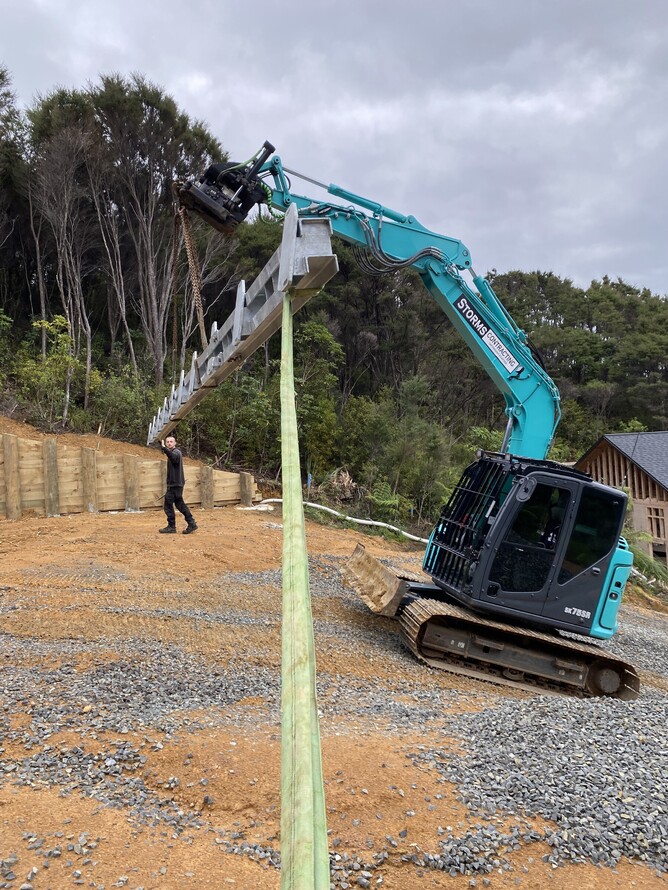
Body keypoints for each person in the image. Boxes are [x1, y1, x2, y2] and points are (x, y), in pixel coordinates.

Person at [158, 435, 198, 534]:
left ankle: (171, 527)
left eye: (171, 442)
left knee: (168, 505)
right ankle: (191, 523)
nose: (169, 443)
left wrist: (164, 449)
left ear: (175, 443)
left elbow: (174, 458)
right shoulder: (172, 452)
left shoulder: (176, 452)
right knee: (180, 504)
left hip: (175, 485)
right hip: (176, 484)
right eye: (167, 442)